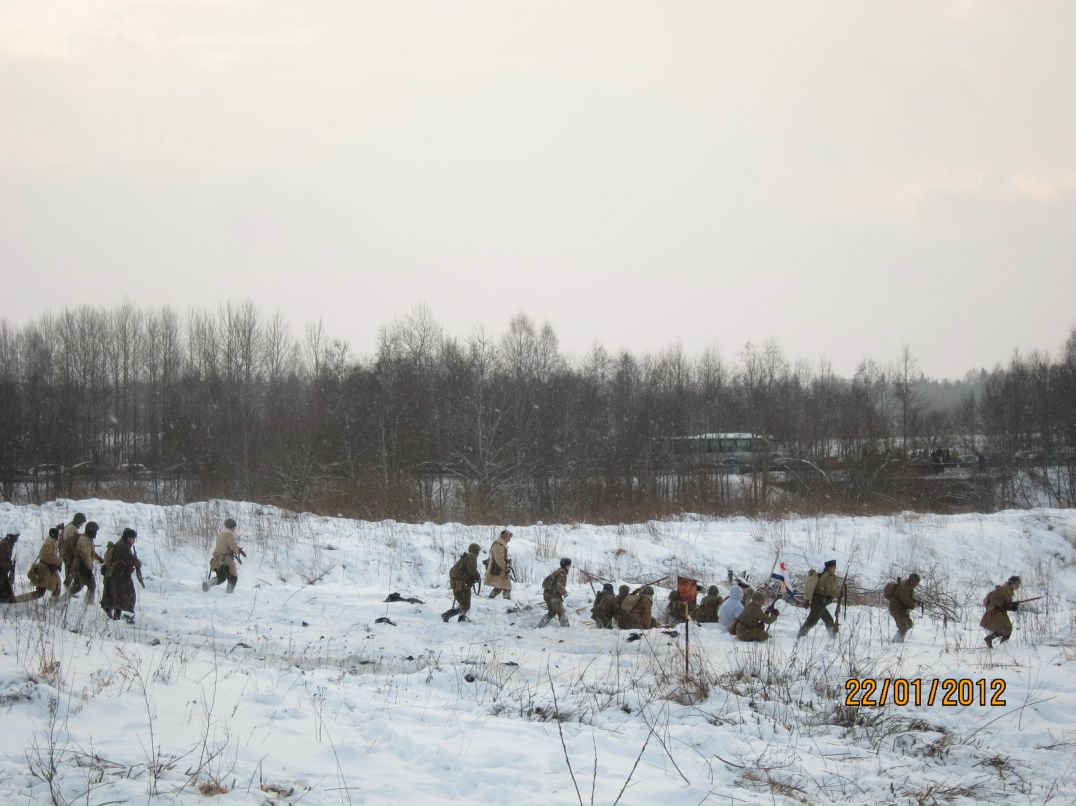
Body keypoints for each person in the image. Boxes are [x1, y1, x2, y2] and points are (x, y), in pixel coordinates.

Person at [103, 528, 142, 623]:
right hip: (119, 576)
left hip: (118, 575)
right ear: (128, 538)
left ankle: (116, 616)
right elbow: (132, 560)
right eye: (133, 538)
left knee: (119, 596)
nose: (133, 541)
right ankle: (127, 617)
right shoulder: (123, 547)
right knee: (128, 596)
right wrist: (138, 563)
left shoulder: (121, 544)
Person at [797, 559, 840, 638]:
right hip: (819, 603)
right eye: (834, 568)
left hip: (819, 603)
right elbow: (830, 591)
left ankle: (832, 636)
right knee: (812, 621)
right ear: (830, 568)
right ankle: (801, 635)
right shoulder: (827, 577)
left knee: (829, 620)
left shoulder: (824, 575)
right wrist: (840, 593)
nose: (835, 570)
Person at [203, 518, 245, 593]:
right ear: (231, 527)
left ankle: (208, 583)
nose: (234, 529)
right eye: (234, 527)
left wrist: (237, 549)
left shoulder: (221, 535)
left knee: (221, 578)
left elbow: (224, 545)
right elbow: (233, 547)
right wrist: (238, 550)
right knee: (233, 577)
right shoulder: (230, 535)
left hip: (217, 561)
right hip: (226, 560)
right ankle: (229, 594)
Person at [442, 543, 481, 623]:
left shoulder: (465, 557)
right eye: (478, 551)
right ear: (476, 550)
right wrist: (477, 576)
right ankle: (447, 614)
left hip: (457, 583)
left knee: (464, 603)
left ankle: (461, 619)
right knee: (465, 605)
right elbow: (472, 569)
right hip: (462, 583)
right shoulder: (472, 556)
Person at [981, 575, 1021, 647]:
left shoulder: (1009, 591)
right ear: (1012, 583)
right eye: (1017, 584)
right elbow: (993, 597)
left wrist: (1013, 607)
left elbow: (1005, 604)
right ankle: (1002, 647)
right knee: (1006, 629)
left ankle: (998, 644)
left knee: (1008, 629)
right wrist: (1004, 604)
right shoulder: (1003, 589)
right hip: (994, 611)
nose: (1018, 586)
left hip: (1000, 612)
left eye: (1019, 584)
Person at [68, 521, 103, 603]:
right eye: (95, 531)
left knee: (77, 587)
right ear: (91, 531)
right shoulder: (84, 540)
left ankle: (59, 602)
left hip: (80, 565)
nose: (96, 533)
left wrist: (99, 558)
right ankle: (89, 604)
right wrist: (89, 568)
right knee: (92, 585)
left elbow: (91, 552)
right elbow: (86, 556)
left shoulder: (88, 539)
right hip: (82, 566)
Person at [27, 525, 64, 602]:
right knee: (54, 587)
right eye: (59, 534)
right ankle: (53, 604)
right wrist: (59, 561)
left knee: (42, 592)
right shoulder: (49, 543)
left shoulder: (51, 542)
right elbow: (46, 557)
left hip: (47, 569)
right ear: (55, 535)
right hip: (45, 569)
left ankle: (16, 599)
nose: (60, 535)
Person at [885, 573, 920, 642]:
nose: (917, 584)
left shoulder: (908, 585)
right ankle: (898, 643)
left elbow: (907, 597)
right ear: (913, 581)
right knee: (904, 626)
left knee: (909, 624)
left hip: (900, 608)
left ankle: (895, 640)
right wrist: (913, 605)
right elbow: (905, 598)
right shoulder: (906, 586)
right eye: (916, 582)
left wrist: (916, 601)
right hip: (896, 607)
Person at [538, 558, 571, 628]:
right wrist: (565, 593)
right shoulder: (562, 573)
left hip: (547, 595)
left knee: (552, 612)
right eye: (569, 565)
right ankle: (566, 630)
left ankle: (539, 627)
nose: (569, 567)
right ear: (566, 565)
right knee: (561, 613)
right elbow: (559, 586)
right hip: (554, 596)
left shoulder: (557, 571)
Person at [60, 512, 87, 591]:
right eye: (81, 523)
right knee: (71, 573)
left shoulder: (70, 526)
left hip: (66, 553)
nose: (82, 525)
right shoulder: (72, 529)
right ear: (78, 521)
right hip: (69, 554)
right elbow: (73, 542)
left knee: (70, 572)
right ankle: (66, 591)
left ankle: (67, 590)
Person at [484, 529, 513, 600]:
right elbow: (499, 560)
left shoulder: (501, 544)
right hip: (499, 569)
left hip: (500, 569)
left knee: (501, 586)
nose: (509, 539)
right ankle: (506, 601)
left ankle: (492, 598)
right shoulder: (499, 545)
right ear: (505, 537)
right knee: (506, 586)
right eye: (509, 537)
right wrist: (506, 568)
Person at [0, 531, 19, 604]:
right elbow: (2, 561)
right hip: (1, 573)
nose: (17, 538)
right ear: (12, 536)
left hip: (3, 573)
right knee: (7, 598)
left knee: (7, 597)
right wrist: (10, 565)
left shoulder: (8, 544)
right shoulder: (4, 545)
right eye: (16, 536)